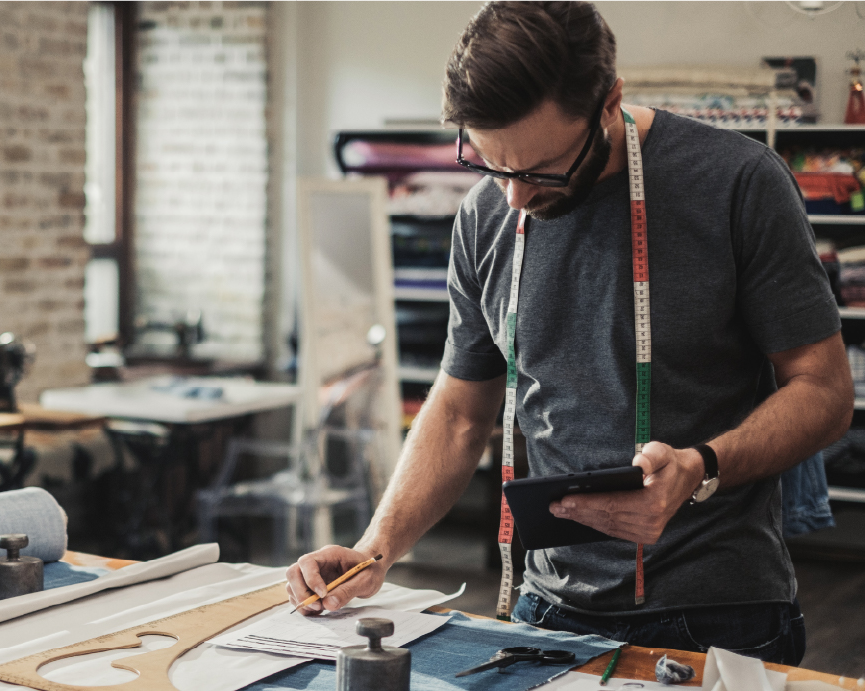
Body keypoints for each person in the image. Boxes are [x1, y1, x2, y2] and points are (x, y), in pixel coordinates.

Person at [285, 1, 853, 666]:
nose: (515, 198)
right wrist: (373, 549)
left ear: (609, 103)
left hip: (721, 612)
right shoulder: (484, 217)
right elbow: (462, 411)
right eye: (491, 164)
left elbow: (825, 389)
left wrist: (703, 465)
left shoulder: (739, 184)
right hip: (547, 609)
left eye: (539, 169)